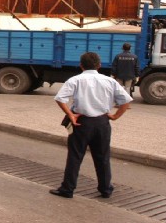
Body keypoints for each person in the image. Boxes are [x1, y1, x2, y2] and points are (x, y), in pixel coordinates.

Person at [49, 52, 132, 199]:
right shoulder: (110, 81)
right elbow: (126, 101)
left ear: (81, 65)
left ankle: (68, 189)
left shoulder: (75, 80)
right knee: (103, 157)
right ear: (99, 65)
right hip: (102, 122)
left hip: (81, 122)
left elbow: (60, 98)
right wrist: (115, 116)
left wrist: (70, 114)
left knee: (75, 156)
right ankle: (105, 189)